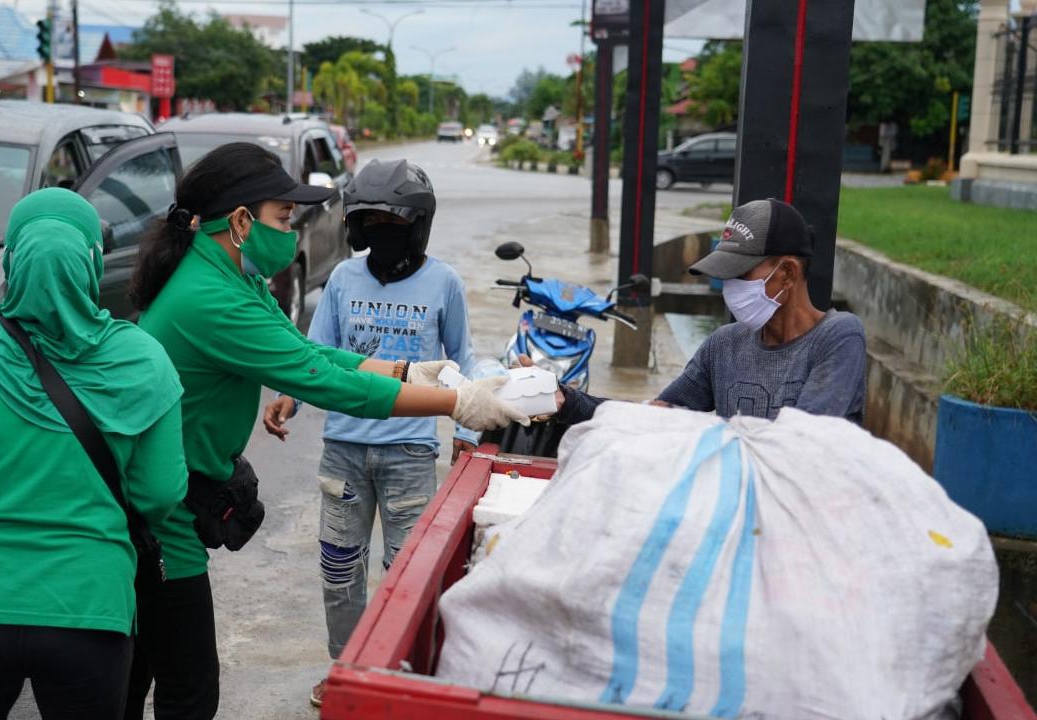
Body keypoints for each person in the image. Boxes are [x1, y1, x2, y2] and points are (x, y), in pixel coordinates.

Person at [127, 143, 527, 720]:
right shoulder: (211, 297)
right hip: (162, 515)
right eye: (283, 217)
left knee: (152, 672)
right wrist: (454, 401)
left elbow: (310, 351)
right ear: (241, 221)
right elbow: (322, 381)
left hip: (181, 494)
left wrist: (404, 370)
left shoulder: (237, 279)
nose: (293, 231)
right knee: (185, 687)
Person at [0, 188, 189, 720]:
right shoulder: (145, 360)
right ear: (93, 264)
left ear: (10, 260)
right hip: (89, 604)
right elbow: (160, 493)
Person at [260, 159, 479, 707]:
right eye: (370, 220)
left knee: (406, 573)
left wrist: (468, 427)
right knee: (339, 571)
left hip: (410, 451)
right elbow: (315, 354)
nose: (380, 229)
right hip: (344, 453)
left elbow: (463, 357)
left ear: (417, 223)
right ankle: (349, 666)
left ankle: (398, 672)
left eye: (392, 219)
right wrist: (289, 394)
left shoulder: (444, 282)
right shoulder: (342, 278)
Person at [550, 198, 867, 426]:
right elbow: (656, 417)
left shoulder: (837, 337)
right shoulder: (725, 345)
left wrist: (706, 435)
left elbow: (801, 446)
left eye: (740, 274)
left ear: (787, 273)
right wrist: (567, 400)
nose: (730, 288)